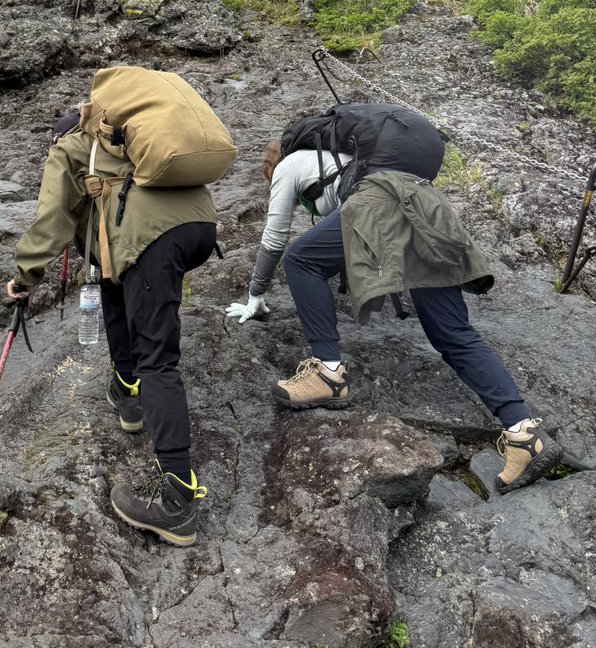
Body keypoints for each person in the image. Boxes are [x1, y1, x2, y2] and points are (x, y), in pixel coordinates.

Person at [226, 133, 563, 495]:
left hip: (383, 204)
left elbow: (275, 236)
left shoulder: (289, 165)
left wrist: (255, 295)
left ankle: (327, 373)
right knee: (452, 334)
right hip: (426, 204)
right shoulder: (351, 155)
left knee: (301, 260)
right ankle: (524, 435)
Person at [6, 106, 219, 546]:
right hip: (199, 225)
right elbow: (107, 248)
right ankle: (126, 389)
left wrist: (25, 277)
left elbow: (52, 219)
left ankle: (177, 501)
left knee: (157, 359)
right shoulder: (127, 141)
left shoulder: (69, 147)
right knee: (115, 276)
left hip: (152, 237)